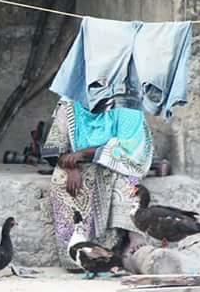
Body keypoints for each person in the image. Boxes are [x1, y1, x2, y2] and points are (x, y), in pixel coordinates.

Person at [44, 98, 153, 270]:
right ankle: (75, 255)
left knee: (129, 184)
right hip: (78, 164)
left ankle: (130, 239)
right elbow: (53, 148)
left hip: (117, 162)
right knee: (61, 180)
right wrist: (70, 167)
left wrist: (84, 152)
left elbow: (131, 149)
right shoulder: (70, 104)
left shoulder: (128, 105)